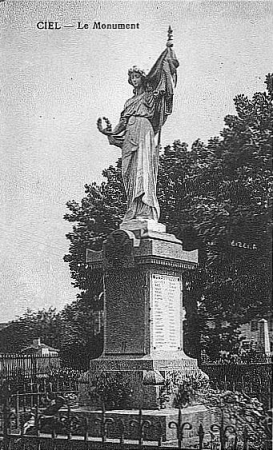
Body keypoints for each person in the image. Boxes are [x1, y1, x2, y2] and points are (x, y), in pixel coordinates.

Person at [98, 66, 160, 222]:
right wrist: (109, 132)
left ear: (143, 78)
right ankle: (133, 208)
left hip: (143, 132)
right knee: (129, 172)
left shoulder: (149, 96)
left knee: (143, 168)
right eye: (132, 77)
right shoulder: (128, 102)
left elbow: (160, 106)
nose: (134, 80)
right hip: (129, 136)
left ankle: (145, 208)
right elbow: (122, 123)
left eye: (137, 76)